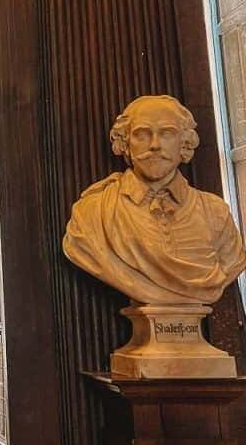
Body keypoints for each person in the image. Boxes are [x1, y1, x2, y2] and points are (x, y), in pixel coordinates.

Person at [63, 95, 246, 305]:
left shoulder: (216, 213)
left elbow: (232, 262)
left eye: (167, 133)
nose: (155, 145)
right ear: (125, 143)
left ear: (184, 143)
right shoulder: (93, 213)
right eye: (142, 134)